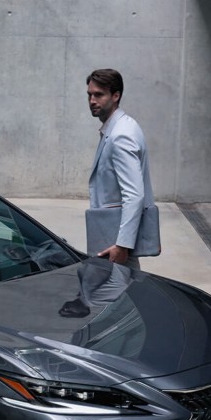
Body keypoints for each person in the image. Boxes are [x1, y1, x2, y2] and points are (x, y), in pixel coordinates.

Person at [85, 68, 161, 269]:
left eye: (99, 95)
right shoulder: (121, 127)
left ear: (116, 95)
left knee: (118, 293)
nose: (92, 100)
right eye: (90, 95)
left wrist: (122, 244)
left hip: (116, 240)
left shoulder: (121, 136)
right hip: (112, 233)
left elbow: (134, 194)